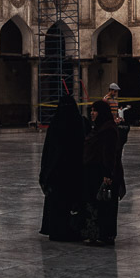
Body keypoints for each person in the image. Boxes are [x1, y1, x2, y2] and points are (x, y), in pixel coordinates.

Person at [38, 95, 85, 241]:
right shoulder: (80, 122)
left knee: (58, 203)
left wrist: (45, 172)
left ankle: (56, 229)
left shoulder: (56, 123)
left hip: (57, 172)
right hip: (75, 171)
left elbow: (49, 151)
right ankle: (73, 229)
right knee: (72, 202)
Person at [81, 99, 125, 245]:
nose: (92, 113)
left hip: (105, 173)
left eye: (95, 110)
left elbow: (110, 154)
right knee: (97, 205)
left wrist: (108, 174)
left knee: (106, 206)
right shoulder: (99, 128)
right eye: (92, 110)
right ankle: (96, 234)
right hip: (95, 172)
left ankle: (105, 235)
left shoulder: (109, 130)